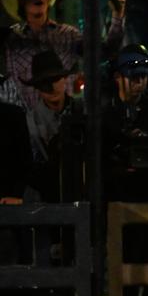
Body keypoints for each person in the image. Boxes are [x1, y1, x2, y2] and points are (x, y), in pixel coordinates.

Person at [3, 0, 124, 109]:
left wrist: (118, 14)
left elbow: (104, 53)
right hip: (24, 120)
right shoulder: (11, 39)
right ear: (22, 1)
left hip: (62, 119)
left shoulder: (67, 35)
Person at [103, 45, 148, 296]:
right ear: (118, 77)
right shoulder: (105, 113)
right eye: (133, 76)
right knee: (125, 275)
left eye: (143, 77)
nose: (138, 83)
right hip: (120, 203)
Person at [22, 50, 86, 204]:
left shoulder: (82, 112)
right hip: (48, 197)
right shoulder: (30, 121)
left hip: (83, 190)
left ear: (65, 79)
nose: (51, 87)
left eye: (55, 79)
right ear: (37, 87)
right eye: (44, 82)